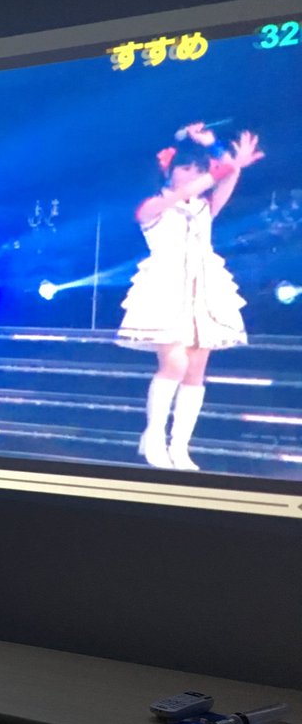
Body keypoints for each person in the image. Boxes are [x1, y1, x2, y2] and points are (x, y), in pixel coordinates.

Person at [116, 123, 265, 470]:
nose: (194, 173)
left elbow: (226, 178)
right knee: (175, 364)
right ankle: (154, 437)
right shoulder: (154, 205)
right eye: (186, 167)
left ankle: (180, 446)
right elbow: (212, 178)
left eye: (197, 168)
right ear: (168, 170)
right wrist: (223, 164)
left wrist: (215, 147)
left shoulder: (203, 207)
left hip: (203, 288)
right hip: (165, 289)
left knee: (196, 370)